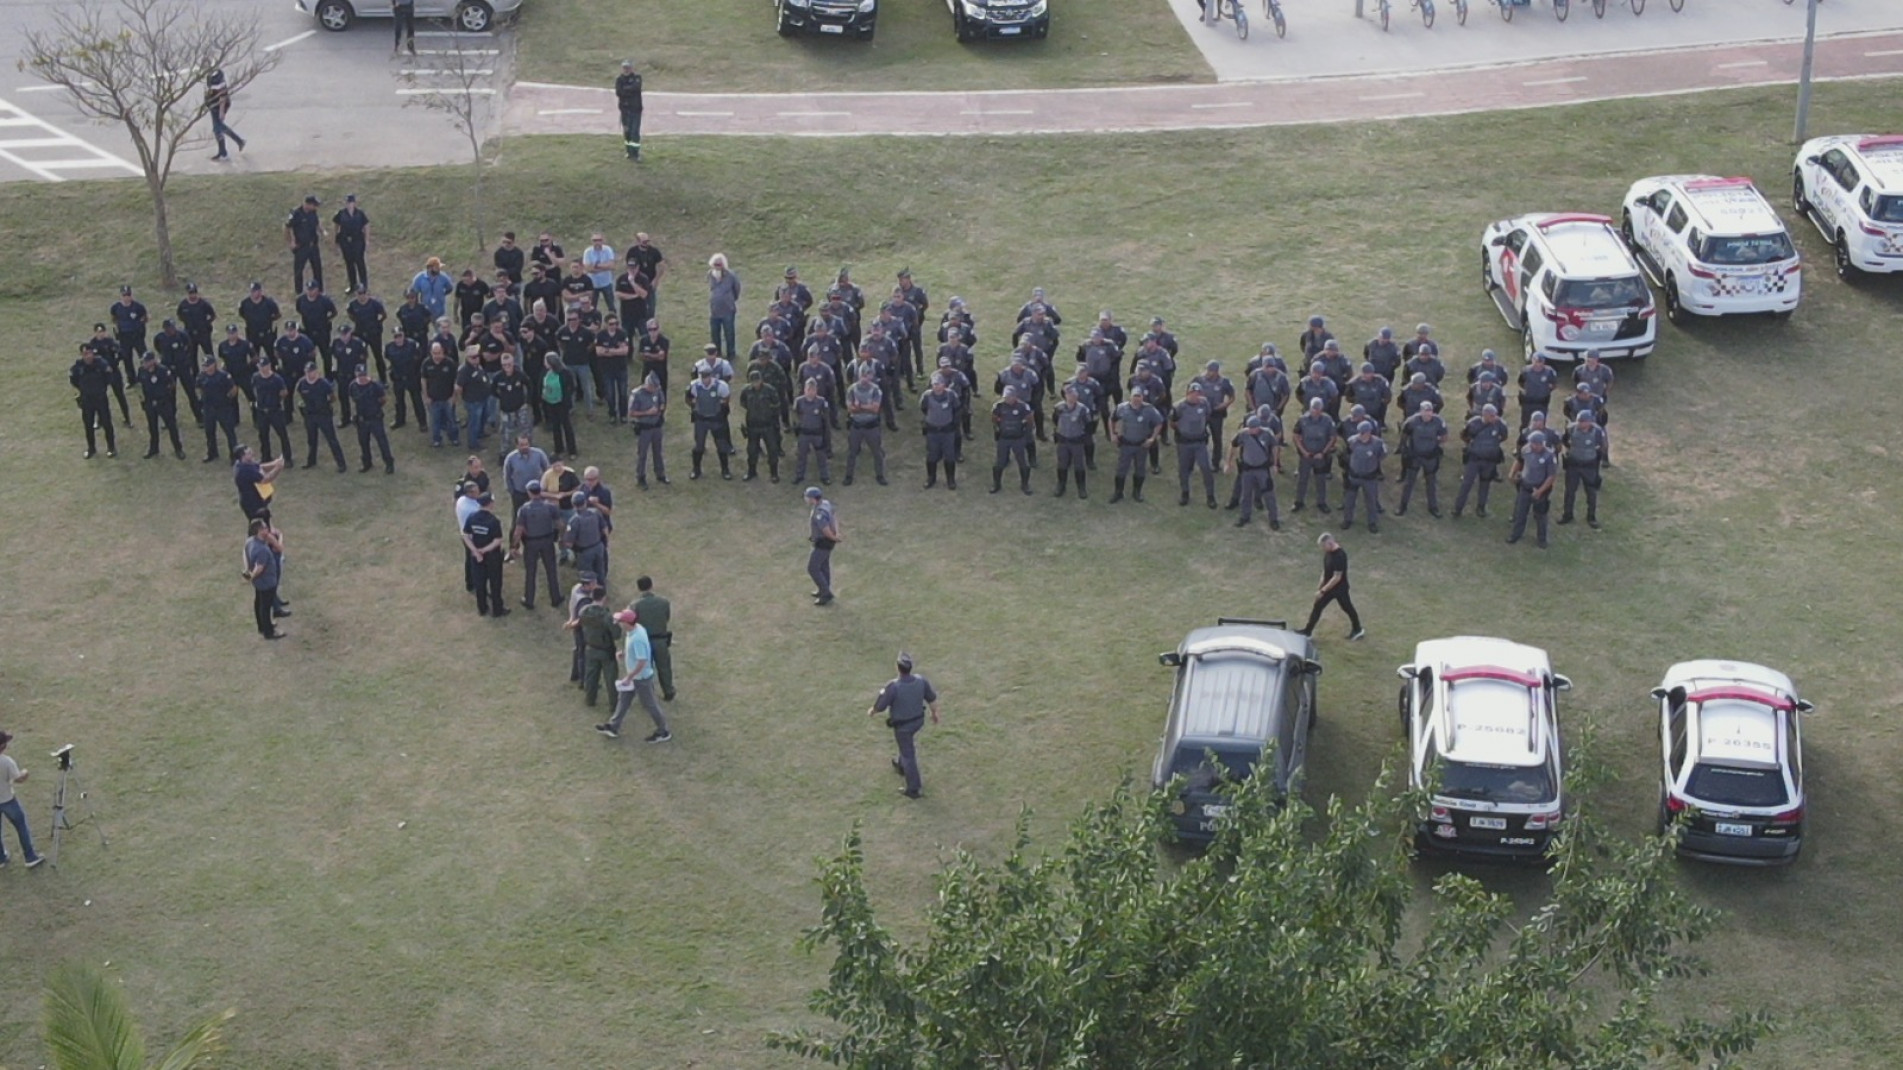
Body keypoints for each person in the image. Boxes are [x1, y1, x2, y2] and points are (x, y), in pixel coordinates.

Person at [868, 652, 940, 800]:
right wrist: (934, 714)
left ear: (898, 668)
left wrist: (872, 711)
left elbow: (881, 705)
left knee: (908, 754)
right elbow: (931, 699)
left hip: (903, 726)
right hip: (918, 721)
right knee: (905, 746)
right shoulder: (921, 681)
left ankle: (914, 788)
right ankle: (901, 766)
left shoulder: (893, 686)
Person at [597, 608, 672, 741]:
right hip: (635, 676)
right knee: (624, 700)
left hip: (640, 678)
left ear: (627, 623)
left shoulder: (637, 638)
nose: (619, 623)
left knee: (650, 704)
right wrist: (625, 653)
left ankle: (663, 731)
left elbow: (642, 661)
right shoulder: (635, 630)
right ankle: (613, 726)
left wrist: (629, 677)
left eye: (620, 621)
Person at [1299, 533, 1364, 640]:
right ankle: (1307, 632)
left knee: (1347, 608)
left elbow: (1337, 577)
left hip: (1340, 589)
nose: (1323, 549)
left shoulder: (1340, 556)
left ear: (1330, 543)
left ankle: (1358, 630)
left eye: (1323, 546)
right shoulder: (1328, 553)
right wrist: (1320, 588)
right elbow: (1325, 571)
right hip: (1329, 587)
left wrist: (1323, 591)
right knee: (1318, 606)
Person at [512, 481, 563, 610]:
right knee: (551, 570)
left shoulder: (524, 509)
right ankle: (555, 598)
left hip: (531, 543)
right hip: (547, 541)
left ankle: (529, 600)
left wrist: (514, 545)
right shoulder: (551, 507)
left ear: (529, 493)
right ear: (540, 491)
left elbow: (518, 530)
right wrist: (562, 537)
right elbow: (560, 525)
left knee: (530, 572)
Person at [1453, 404, 1510, 519]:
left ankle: (1481, 508)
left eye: (1495, 415)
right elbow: (1464, 435)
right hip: (1474, 459)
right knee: (1467, 483)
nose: (1494, 418)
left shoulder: (1500, 425)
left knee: (1485, 484)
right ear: (1485, 415)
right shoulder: (1473, 423)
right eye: (1492, 416)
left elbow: (1504, 436)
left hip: (1490, 460)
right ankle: (1458, 508)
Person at [0, 731, 46, 869]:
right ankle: (30, 857)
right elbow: (18, 778)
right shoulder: (6, 762)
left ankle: (1, 858)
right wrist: (25, 773)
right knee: (21, 827)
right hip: (7, 800)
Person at [1394, 401, 1448, 518]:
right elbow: (1404, 435)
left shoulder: (1439, 422)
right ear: (1421, 411)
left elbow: (1444, 437)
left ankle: (1433, 507)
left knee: (1431, 483)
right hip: (1415, 456)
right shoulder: (1412, 421)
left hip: (1430, 457)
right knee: (1409, 483)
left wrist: (1436, 443)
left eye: (1430, 411)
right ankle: (1402, 506)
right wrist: (1405, 449)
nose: (1428, 414)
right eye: (1425, 411)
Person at [567, 585, 620, 706]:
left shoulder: (584, 612)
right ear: (604, 598)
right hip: (606, 651)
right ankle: (613, 704)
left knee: (591, 676)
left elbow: (578, 624)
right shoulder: (606, 616)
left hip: (590, 648)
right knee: (610, 679)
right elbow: (616, 634)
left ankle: (590, 700)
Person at [1506, 431, 1559, 548]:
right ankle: (1516, 534)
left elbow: (1551, 476)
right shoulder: (1526, 449)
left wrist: (1540, 491)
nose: (1533, 446)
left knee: (1540, 515)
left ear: (1542, 444)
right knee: (1521, 512)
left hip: (1541, 489)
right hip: (1525, 486)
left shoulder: (1549, 456)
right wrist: (1512, 473)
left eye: (1536, 444)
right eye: (1532, 443)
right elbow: (1519, 461)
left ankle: (1542, 539)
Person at [1558, 408, 1608, 529]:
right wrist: (1571, 449)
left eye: (1583, 421)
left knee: (1591, 493)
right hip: (1574, 465)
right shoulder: (1571, 428)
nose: (1580, 424)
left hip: (1589, 466)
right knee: (1570, 491)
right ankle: (1567, 514)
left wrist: (1594, 457)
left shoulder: (1597, 431)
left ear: (1589, 422)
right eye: (1579, 421)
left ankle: (1591, 517)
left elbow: (1603, 446)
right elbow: (1564, 440)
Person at [1229, 414, 1280, 529]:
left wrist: (1275, 464)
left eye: (1253, 428)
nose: (1251, 430)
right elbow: (1233, 445)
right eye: (1249, 428)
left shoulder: (1267, 434)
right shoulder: (1243, 434)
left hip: (1262, 469)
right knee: (1246, 494)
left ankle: (1273, 519)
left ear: (1258, 427)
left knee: (1269, 495)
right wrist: (1229, 462)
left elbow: (1275, 447)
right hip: (1248, 469)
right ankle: (1245, 516)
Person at [70, 343, 121, 459]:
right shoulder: (79, 366)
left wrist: (101, 388)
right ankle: (91, 448)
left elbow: (109, 376)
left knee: (107, 423)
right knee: (88, 425)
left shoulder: (101, 364)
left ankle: (111, 447)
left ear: (92, 353)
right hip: (86, 399)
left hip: (100, 398)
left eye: (88, 353)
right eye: (84, 354)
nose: (87, 356)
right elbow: (73, 379)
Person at [462, 492, 508, 616]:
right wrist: (484, 550)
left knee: (479, 582)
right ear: (490, 504)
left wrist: (475, 551)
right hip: (492, 556)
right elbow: (497, 540)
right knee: (495, 582)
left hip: (476, 557)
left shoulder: (471, 517)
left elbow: (465, 535)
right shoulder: (493, 521)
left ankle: (482, 608)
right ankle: (497, 609)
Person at [296, 362, 347, 472]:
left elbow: (332, 397)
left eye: (311, 371)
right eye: (307, 372)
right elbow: (301, 394)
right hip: (310, 415)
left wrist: (324, 405)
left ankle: (341, 463)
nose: (309, 374)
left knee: (331, 440)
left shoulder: (323, 383)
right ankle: (311, 461)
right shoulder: (302, 383)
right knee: (311, 440)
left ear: (316, 371)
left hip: (323, 415)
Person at [631, 575, 675, 701]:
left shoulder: (635, 605)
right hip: (661, 639)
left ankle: (648, 695)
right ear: (651, 585)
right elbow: (666, 618)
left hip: (644, 641)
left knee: (645, 669)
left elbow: (633, 623)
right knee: (664, 667)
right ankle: (668, 691)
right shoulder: (664, 602)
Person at [686, 366, 735, 480]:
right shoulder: (694, 386)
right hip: (701, 419)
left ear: (711, 376)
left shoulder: (721, 386)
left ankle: (725, 470)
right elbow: (688, 398)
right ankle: (696, 469)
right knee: (699, 446)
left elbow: (726, 398)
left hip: (716, 419)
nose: (705, 379)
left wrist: (719, 408)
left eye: (707, 376)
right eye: (703, 377)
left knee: (721, 446)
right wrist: (695, 407)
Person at [1339, 422, 1388, 534]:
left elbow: (1382, 455)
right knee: (1349, 500)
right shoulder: (1352, 441)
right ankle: (1347, 520)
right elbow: (1346, 454)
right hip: (1354, 476)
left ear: (1369, 432)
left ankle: (1372, 523)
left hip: (1369, 477)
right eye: (1359, 432)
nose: (1361, 435)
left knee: (1371, 501)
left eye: (1363, 433)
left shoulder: (1378, 443)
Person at [136, 352, 186, 460]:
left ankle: (178, 448)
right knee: (152, 427)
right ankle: (154, 449)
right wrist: (143, 402)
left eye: (147, 361)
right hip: (149, 402)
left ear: (153, 361)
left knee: (171, 426)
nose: (145, 363)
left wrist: (165, 396)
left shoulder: (163, 371)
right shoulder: (142, 371)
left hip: (163, 402)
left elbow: (172, 384)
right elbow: (140, 387)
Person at [243, 518, 286, 640]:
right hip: (266, 582)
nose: (267, 529)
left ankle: (262, 626)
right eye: (264, 528)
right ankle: (269, 632)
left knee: (259, 603)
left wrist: (247, 571)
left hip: (259, 583)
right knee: (265, 607)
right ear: (259, 531)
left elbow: (245, 554)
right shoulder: (261, 549)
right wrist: (251, 576)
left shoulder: (250, 542)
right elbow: (260, 568)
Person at [738, 367, 783, 483]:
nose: (756, 384)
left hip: (768, 425)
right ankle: (751, 472)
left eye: (757, 381)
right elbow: (743, 403)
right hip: (753, 426)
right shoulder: (746, 391)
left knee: (772, 450)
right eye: (753, 382)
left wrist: (770, 415)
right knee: (752, 451)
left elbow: (777, 405)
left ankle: (774, 473)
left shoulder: (770, 390)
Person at [348, 365, 394, 474]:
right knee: (363, 443)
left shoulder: (375, 386)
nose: (362, 377)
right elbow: (352, 400)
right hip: (361, 420)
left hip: (375, 418)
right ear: (356, 375)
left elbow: (383, 400)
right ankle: (367, 463)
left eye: (364, 375)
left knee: (382, 442)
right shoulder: (353, 386)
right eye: (360, 375)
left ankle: (389, 463)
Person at [197, 356, 240, 462]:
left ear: (213, 365)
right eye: (204, 366)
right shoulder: (201, 376)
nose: (206, 368)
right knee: (209, 432)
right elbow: (199, 388)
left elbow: (234, 389)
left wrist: (227, 399)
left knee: (229, 433)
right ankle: (212, 453)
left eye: (208, 365)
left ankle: (234, 455)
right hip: (208, 408)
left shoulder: (223, 376)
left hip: (223, 408)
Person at [564, 494, 610, 591]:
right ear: (585, 502)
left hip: (584, 552)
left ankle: (589, 594)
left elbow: (569, 543)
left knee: (587, 576)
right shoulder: (595, 512)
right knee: (600, 571)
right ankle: (601, 591)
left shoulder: (574, 521)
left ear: (573, 504)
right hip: (598, 546)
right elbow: (605, 529)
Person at [805, 487, 840, 606]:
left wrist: (834, 537)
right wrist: (837, 532)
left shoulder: (819, 513)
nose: (806, 499)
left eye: (807, 497)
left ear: (813, 499)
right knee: (823, 566)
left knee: (813, 568)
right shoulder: (825, 503)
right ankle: (824, 589)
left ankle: (826, 593)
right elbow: (834, 515)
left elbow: (825, 530)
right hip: (825, 541)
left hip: (823, 542)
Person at [542, 354, 579, 459]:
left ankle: (572, 451)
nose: (544, 363)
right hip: (550, 403)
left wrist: (565, 397)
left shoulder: (565, 373)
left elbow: (571, 386)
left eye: (546, 361)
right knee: (555, 427)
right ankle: (558, 448)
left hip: (562, 404)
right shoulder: (546, 373)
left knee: (566, 426)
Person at [233, 445, 282, 524]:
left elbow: (259, 467)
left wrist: (274, 464)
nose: (252, 454)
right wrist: (278, 468)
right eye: (249, 453)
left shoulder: (244, 464)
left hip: (256, 501)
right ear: (243, 456)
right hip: (253, 504)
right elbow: (265, 479)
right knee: (261, 527)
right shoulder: (245, 470)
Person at [332, 194, 371, 295]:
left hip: (357, 241)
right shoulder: (341, 213)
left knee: (360, 263)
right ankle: (352, 285)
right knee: (349, 264)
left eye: (350, 202)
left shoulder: (360, 213)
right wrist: (336, 239)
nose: (348, 204)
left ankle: (363, 285)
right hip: (345, 241)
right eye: (347, 202)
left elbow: (366, 225)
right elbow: (336, 225)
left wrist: (367, 240)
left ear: (354, 203)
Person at [285, 195, 323, 294]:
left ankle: (319, 290)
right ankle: (299, 292)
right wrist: (291, 242)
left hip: (313, 245)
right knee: (298, 270)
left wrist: (323, 231)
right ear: (308, 204)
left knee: (317, 268)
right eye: (314, 205)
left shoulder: (313, 212)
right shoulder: (296, 213)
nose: (315, 207)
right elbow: (287, 228)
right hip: (301, 246)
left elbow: (317, 223)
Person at [205, 68, 246, 161]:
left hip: (218, 106)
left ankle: (225, 151)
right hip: (213, 104)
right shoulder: (212, 76)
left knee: (217, 128)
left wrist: (221, 112)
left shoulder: (219, 81)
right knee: (219, 128)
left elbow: (222, 98)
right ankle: (232, 146)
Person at [707, 253, 741, 359]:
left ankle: (731, 354)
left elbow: (737, 288)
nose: (717, 266)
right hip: (714, 310)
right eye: (715, 264)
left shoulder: (731, 275)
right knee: (715, 334)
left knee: (729, 333)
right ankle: (716, 354)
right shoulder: (710, 275)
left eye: (719, 264)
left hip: (728, 310)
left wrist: (730, 300)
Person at [614, 60, 644, 161]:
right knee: (627, 131)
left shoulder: (637, 78)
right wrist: (627, 90)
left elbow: (636, 88)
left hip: (635, 110)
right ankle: (628, 152)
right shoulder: (619, 80)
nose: (626, 70)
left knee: (635, 132)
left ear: (632, 69)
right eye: (624, 68)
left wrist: (625, 90)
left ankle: (635, 153)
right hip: (625, 110)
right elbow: (619, 92)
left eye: (628, 68)